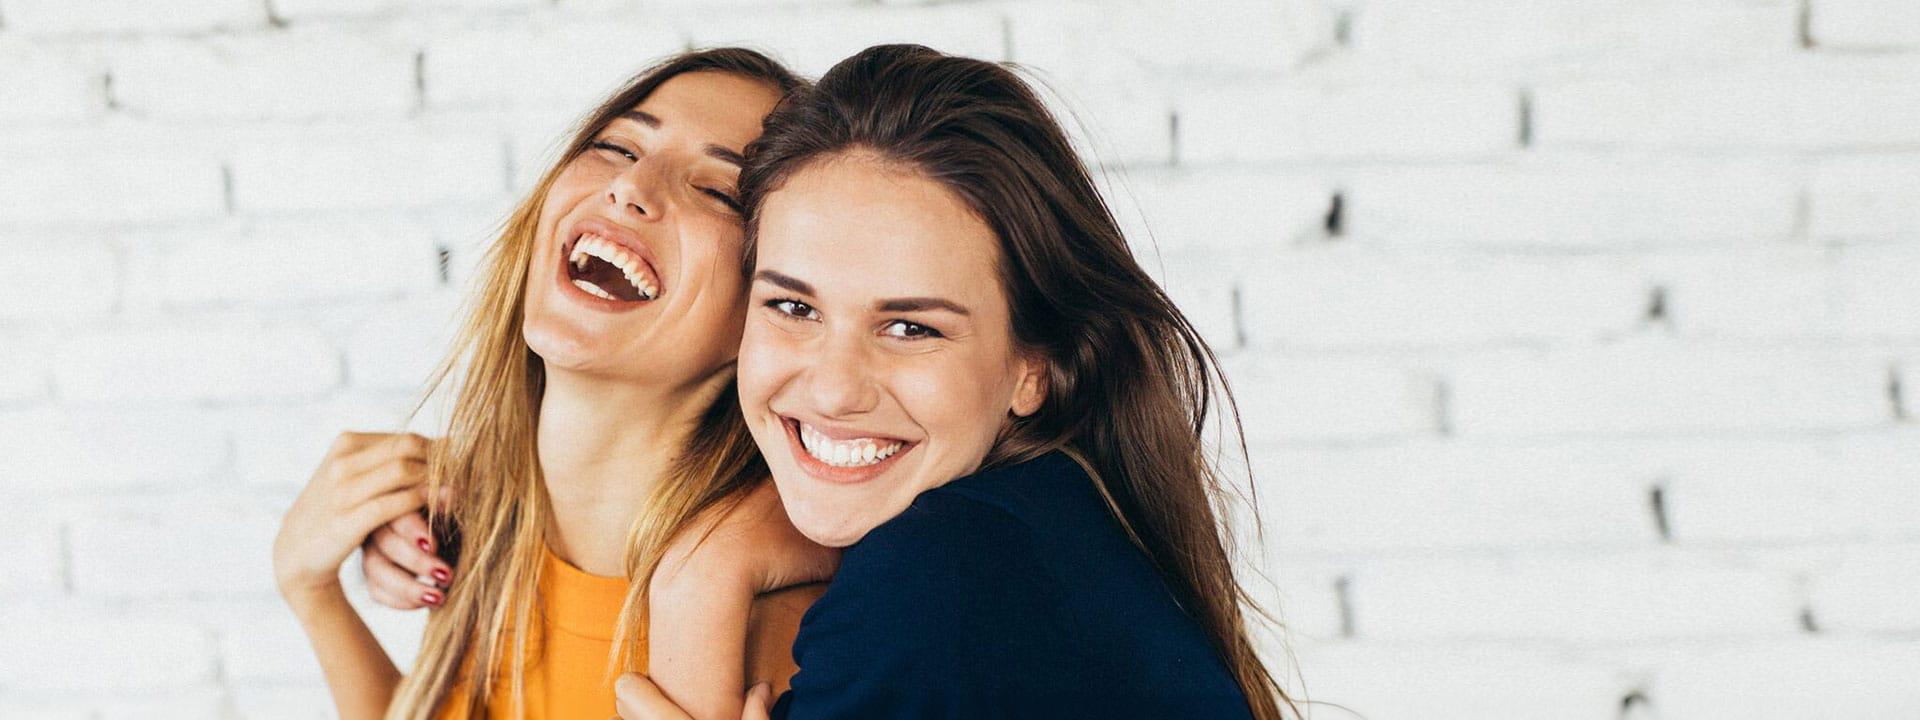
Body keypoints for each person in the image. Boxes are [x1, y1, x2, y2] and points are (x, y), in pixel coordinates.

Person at [616, 44, 1300, 720]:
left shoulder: (934, 579)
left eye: (911, 328)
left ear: (1034, 369)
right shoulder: (1057, 526)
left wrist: (696, 585)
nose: (832, 389)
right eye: (794, 308)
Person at [271, 47, 834, 720]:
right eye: (617, 147)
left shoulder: (757, 626)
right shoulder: (486, 525)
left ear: (767, 305)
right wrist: (311, 589)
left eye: (717, 190)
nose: (631, 187)